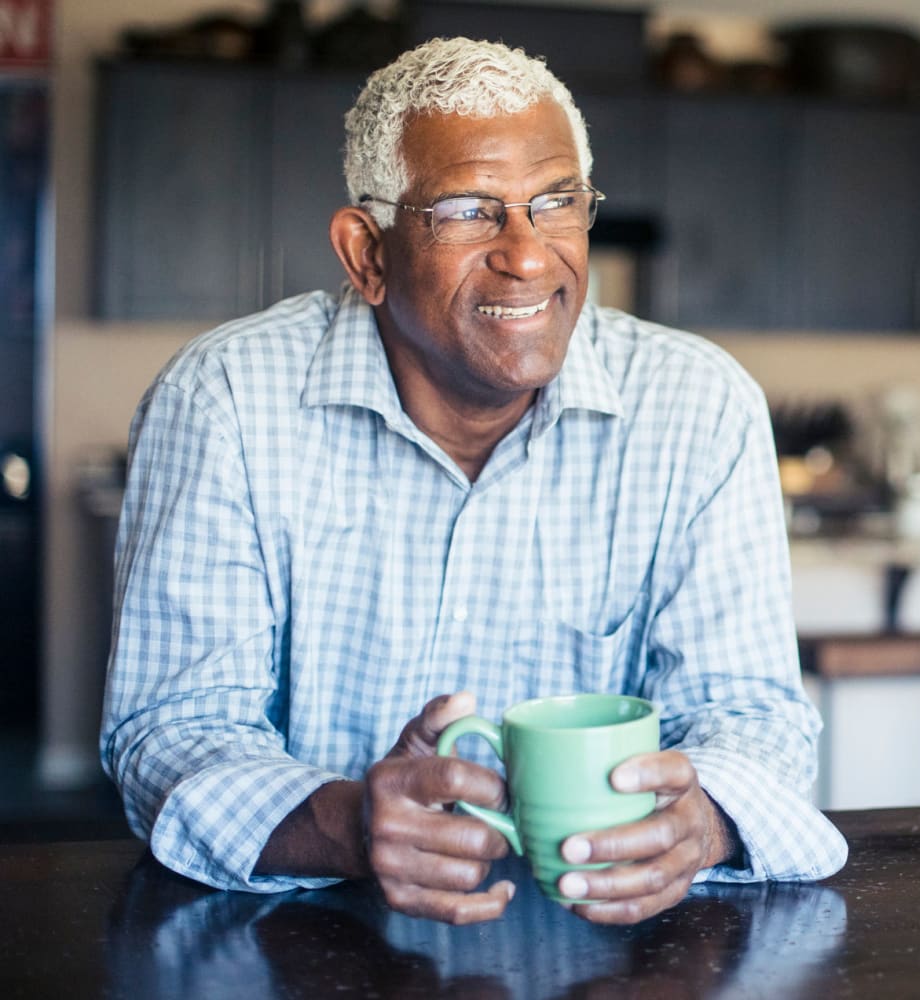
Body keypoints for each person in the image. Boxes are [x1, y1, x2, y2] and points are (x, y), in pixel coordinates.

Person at [101, 36, 847, 926]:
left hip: (605, 948)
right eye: (468, 210)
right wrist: (349, 826)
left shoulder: (699, 406)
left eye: (556, 202)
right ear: (366, 253)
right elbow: (171, 733)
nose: (529, 256)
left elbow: (752, 712)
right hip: (305, 940)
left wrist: (709, 819)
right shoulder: (222, 402)